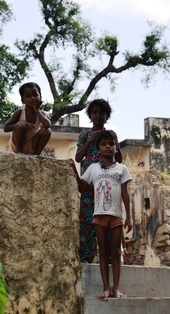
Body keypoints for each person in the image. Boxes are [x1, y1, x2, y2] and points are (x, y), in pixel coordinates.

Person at [70, 130, 133, 300]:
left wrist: (129, 217)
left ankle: (116, 289)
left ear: (116, 147)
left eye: (111, 144)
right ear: (98, 148)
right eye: (104, 144)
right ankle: (106, 288)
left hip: (117, 215)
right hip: (99, 215)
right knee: (103, 251)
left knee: (116, 251)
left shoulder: (122, 169)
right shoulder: (92, 168)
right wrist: (75, 172)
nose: (108, 147)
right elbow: (82, 188)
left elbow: (126, 194)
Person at [75, 99, 122, 263]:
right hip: (88, 187)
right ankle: (86, 259)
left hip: (107, 187)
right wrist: (90, 141)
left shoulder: (111, 135)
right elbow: (78, 157)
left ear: (106, 115)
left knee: (108, 222)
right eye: (94, 112)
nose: (98, 115)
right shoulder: (85, 135)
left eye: (101, 112)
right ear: (90, 115)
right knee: (87, 223)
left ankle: (109, 259)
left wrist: (115, 144)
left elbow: (119, 160)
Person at [4, 82, 51, 155]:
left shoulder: (41, 114)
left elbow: (47, 125)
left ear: (40, 98)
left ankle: (37, 155)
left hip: (33, 144)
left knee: (47, 131)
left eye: (35, 95)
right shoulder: (20, 112)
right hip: (19, 144)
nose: (32, 98)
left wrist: (36, 110)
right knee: (20, 125)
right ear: (23, 101)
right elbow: (6, 128)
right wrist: (23, 124)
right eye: (28, 96)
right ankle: (18, 152)